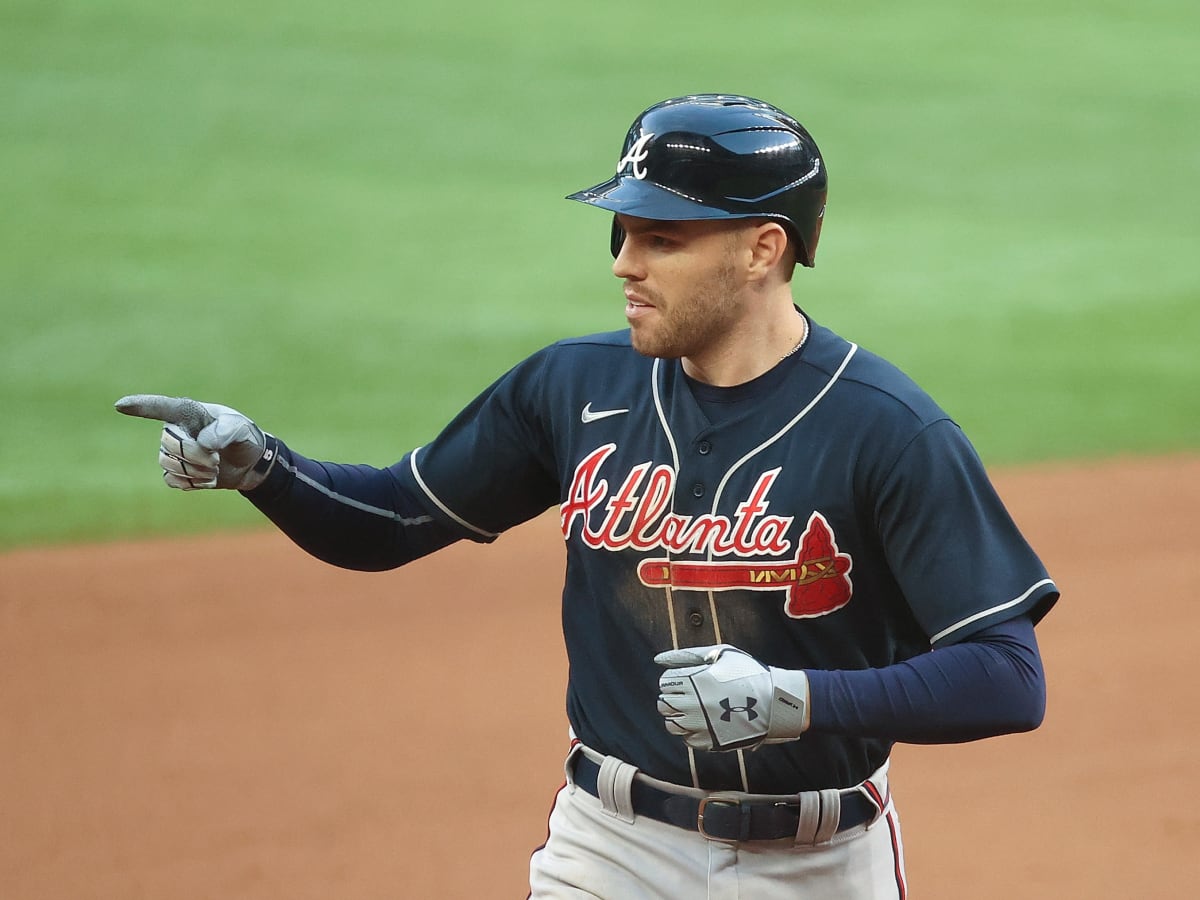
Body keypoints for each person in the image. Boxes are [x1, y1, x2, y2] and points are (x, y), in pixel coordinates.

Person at [117, 94, 1058, 898]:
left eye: (662, 237)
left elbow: (1007, 679)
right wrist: (263, 470)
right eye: (622, 232)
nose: (623, 263)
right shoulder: (572, 389)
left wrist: (794, 698)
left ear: (763, 249)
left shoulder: (890, 431)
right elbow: (395, 522)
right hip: (610, 851)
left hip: (816, 866)